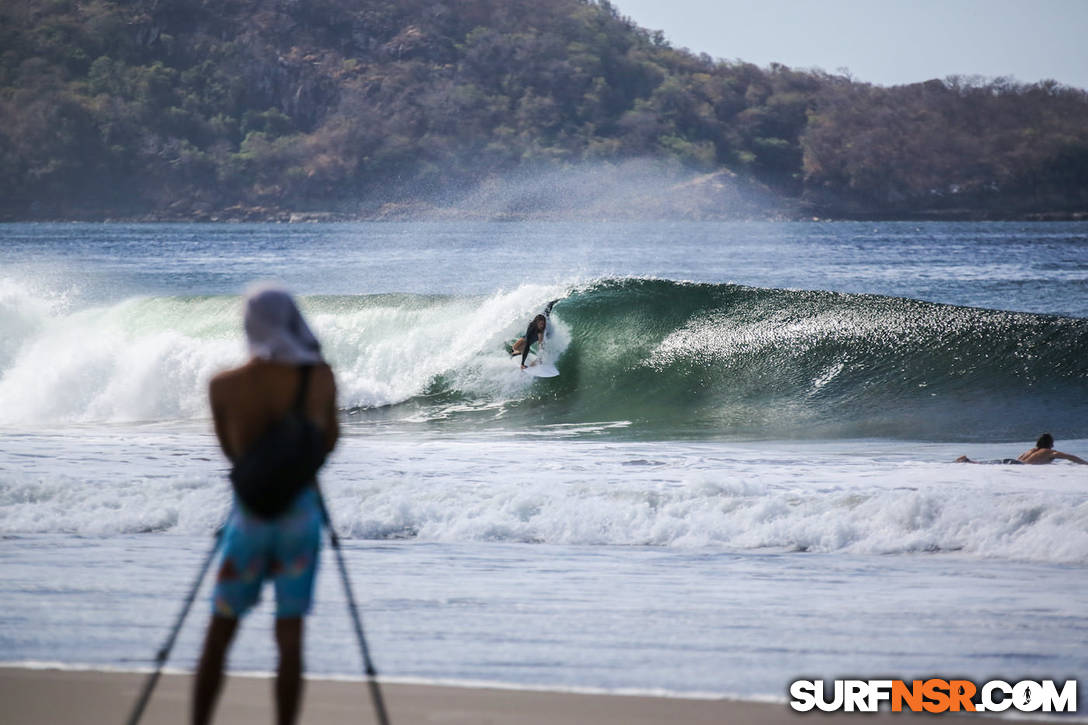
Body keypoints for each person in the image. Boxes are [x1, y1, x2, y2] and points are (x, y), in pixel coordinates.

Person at [192, 285, 339, 725]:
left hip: (249, 517)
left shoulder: (223, 385)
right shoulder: (320, 377)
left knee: (220, 630)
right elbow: (329, 441)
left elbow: (233, 455)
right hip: (300, 516)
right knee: (290, 634)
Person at [955, 433, 1087, 465]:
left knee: (988, 464)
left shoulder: (1031, 450)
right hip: (1019, 466)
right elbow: (1071, 457)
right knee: (986, 465)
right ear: (1050, 444)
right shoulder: (1049, 452)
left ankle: (967, 461)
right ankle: (967, 461)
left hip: (1012, 462)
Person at [510, 299, 558, 370]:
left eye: (543, 323)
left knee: (540, 345)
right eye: (541, 324)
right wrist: (523, 362)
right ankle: (520, 352)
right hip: (530, 335)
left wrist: (522, 364)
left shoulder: (541, 331)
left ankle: (539, 360)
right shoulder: (531, 326)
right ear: (536, 323)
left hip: (547, 333)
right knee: (514, 348)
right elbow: (527, 345)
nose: (542, 325)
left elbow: (540, 346)